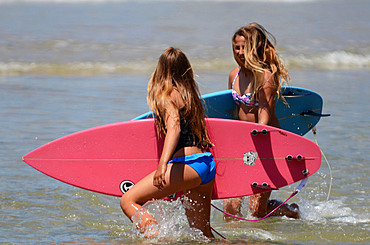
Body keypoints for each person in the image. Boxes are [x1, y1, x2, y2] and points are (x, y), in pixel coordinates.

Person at [120, 47, 216, 238]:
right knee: (204, 236)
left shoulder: (166, 94)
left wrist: (162, 165)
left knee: (128, 200)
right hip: (206, 165)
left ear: (161, 70)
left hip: (186, 166)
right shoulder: (191, 96)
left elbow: (174, 127)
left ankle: (155, 237)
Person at [223, 23, 300, 220]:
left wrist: (253, 153)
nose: (240, 52)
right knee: (230, 208)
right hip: (242, 144)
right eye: (236, 47)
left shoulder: (265, 77)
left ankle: (290, 211)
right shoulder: (234, 75)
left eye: (244, 48)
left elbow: (264, 118)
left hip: (266, 146)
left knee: (256, 212)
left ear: (253, 49)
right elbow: (231, 113)